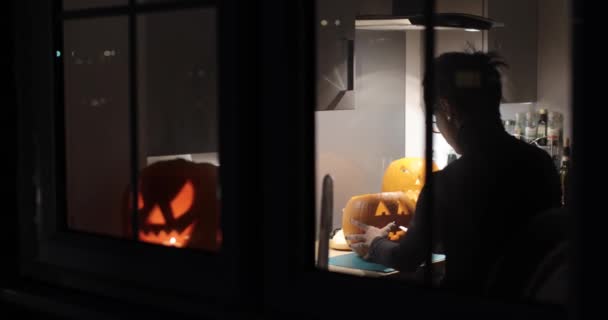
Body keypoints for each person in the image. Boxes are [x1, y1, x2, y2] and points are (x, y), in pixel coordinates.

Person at [346, 51, 562, 295]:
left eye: (436, 120)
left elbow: (407, 259)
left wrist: (375, 243)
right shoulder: (539, 163)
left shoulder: (447, 183)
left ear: (448, 109)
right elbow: (502, 234)